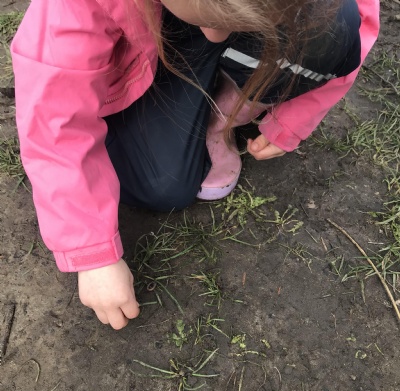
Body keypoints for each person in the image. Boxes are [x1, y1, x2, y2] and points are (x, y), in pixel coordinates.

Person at [11, 0, 379, 330]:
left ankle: (226, 111)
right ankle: (192, 93)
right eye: (212, 19)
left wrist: (292, 120)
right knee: (162, 183)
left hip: (252, 21)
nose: (216, 34)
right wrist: (92, 254)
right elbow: (54, 120)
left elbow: (358, 24)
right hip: (159, 41)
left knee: (336, 23)